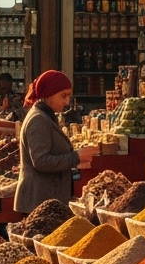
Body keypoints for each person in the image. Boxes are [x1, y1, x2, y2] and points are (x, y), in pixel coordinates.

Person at [14, 70, 96, 214]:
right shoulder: (38, 120)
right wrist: (76, 157)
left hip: (46, 201)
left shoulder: (46, 116)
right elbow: (40, 161)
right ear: (48, 95)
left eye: (68, 96)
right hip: (38, 203)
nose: (67, 102)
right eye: (63, 96)